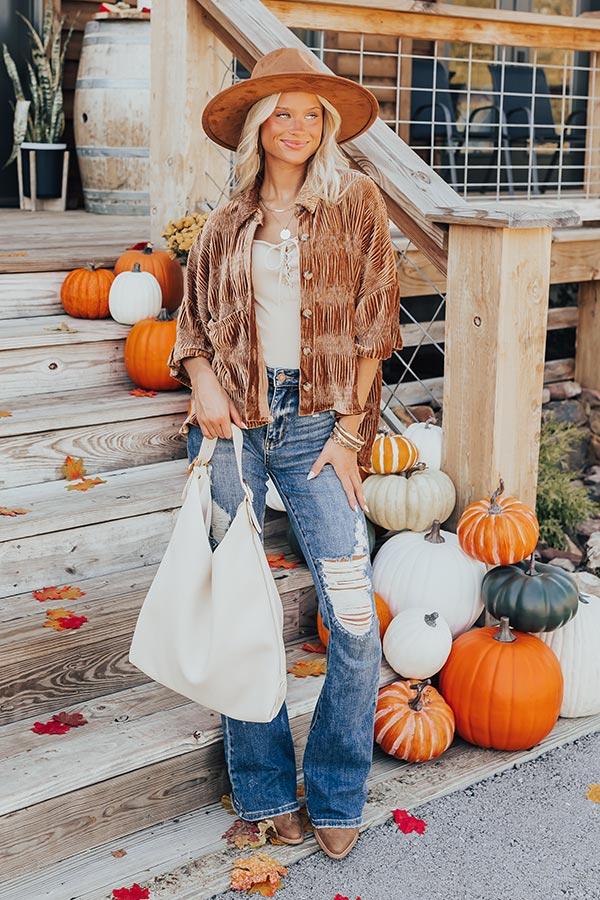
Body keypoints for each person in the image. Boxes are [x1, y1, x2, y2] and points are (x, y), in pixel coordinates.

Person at [167, 46, 403, 861]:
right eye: (282, 113)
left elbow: (376, 328)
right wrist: (201, 383)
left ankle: (337, 790)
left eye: (312, 113)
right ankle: (265, 793)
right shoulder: (227, 216)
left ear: (325, 127)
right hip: (234, 420)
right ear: (258, 127)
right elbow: (193, 323)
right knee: (241, 609)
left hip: (317, 426)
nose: (297, 126)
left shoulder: (356, 202)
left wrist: (349, 436)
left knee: (350, 615)